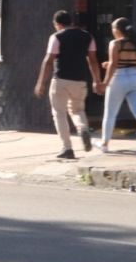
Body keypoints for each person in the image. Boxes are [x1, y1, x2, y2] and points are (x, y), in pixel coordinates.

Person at [33, 10, 103, 159]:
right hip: (80, 81)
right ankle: (83, 128)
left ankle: (67, 148)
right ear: (70, 22)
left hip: (61, 80)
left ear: (57, 24)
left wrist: (41, 83)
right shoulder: (87, 36)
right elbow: (93, 60)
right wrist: (97, 80)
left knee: (59, 113)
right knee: (78, 110)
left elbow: (48, 61)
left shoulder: (56, 37)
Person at [94, 17, 136, 153]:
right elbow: (129, 62)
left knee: (110, 113)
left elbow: (114, 64)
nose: (112, 31)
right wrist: (109, 64)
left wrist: (105, 83)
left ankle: (104, 144)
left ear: (117, 30)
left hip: (119, 78)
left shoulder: (115, 43)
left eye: (112, 28)